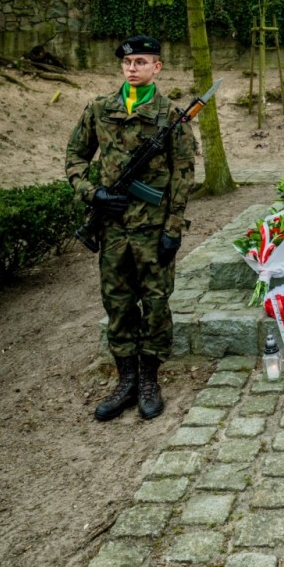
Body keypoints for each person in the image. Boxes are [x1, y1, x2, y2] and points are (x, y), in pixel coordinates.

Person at [66, 35, 195, 421]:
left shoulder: (170, 117)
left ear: (157, 67)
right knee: (117, 304)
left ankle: (149, 379)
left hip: (152, 230)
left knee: (155, 303)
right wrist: (93, 194)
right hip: (112, 228)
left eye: (141, 62)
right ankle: (125, 380)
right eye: (127, 62)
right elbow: (75, 156)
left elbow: (183, 175)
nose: (132, 68)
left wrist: (173, 229)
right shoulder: (99, 109)